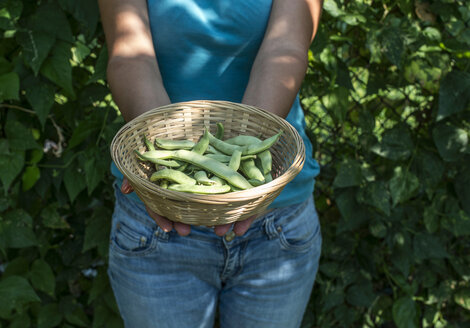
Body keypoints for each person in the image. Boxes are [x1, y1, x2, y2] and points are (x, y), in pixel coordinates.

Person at [98, 0, 323, 327]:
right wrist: (163, 157)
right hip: (157, 219)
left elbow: (286, 47)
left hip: (275, 220)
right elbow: (130, 55)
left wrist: (247, 180)